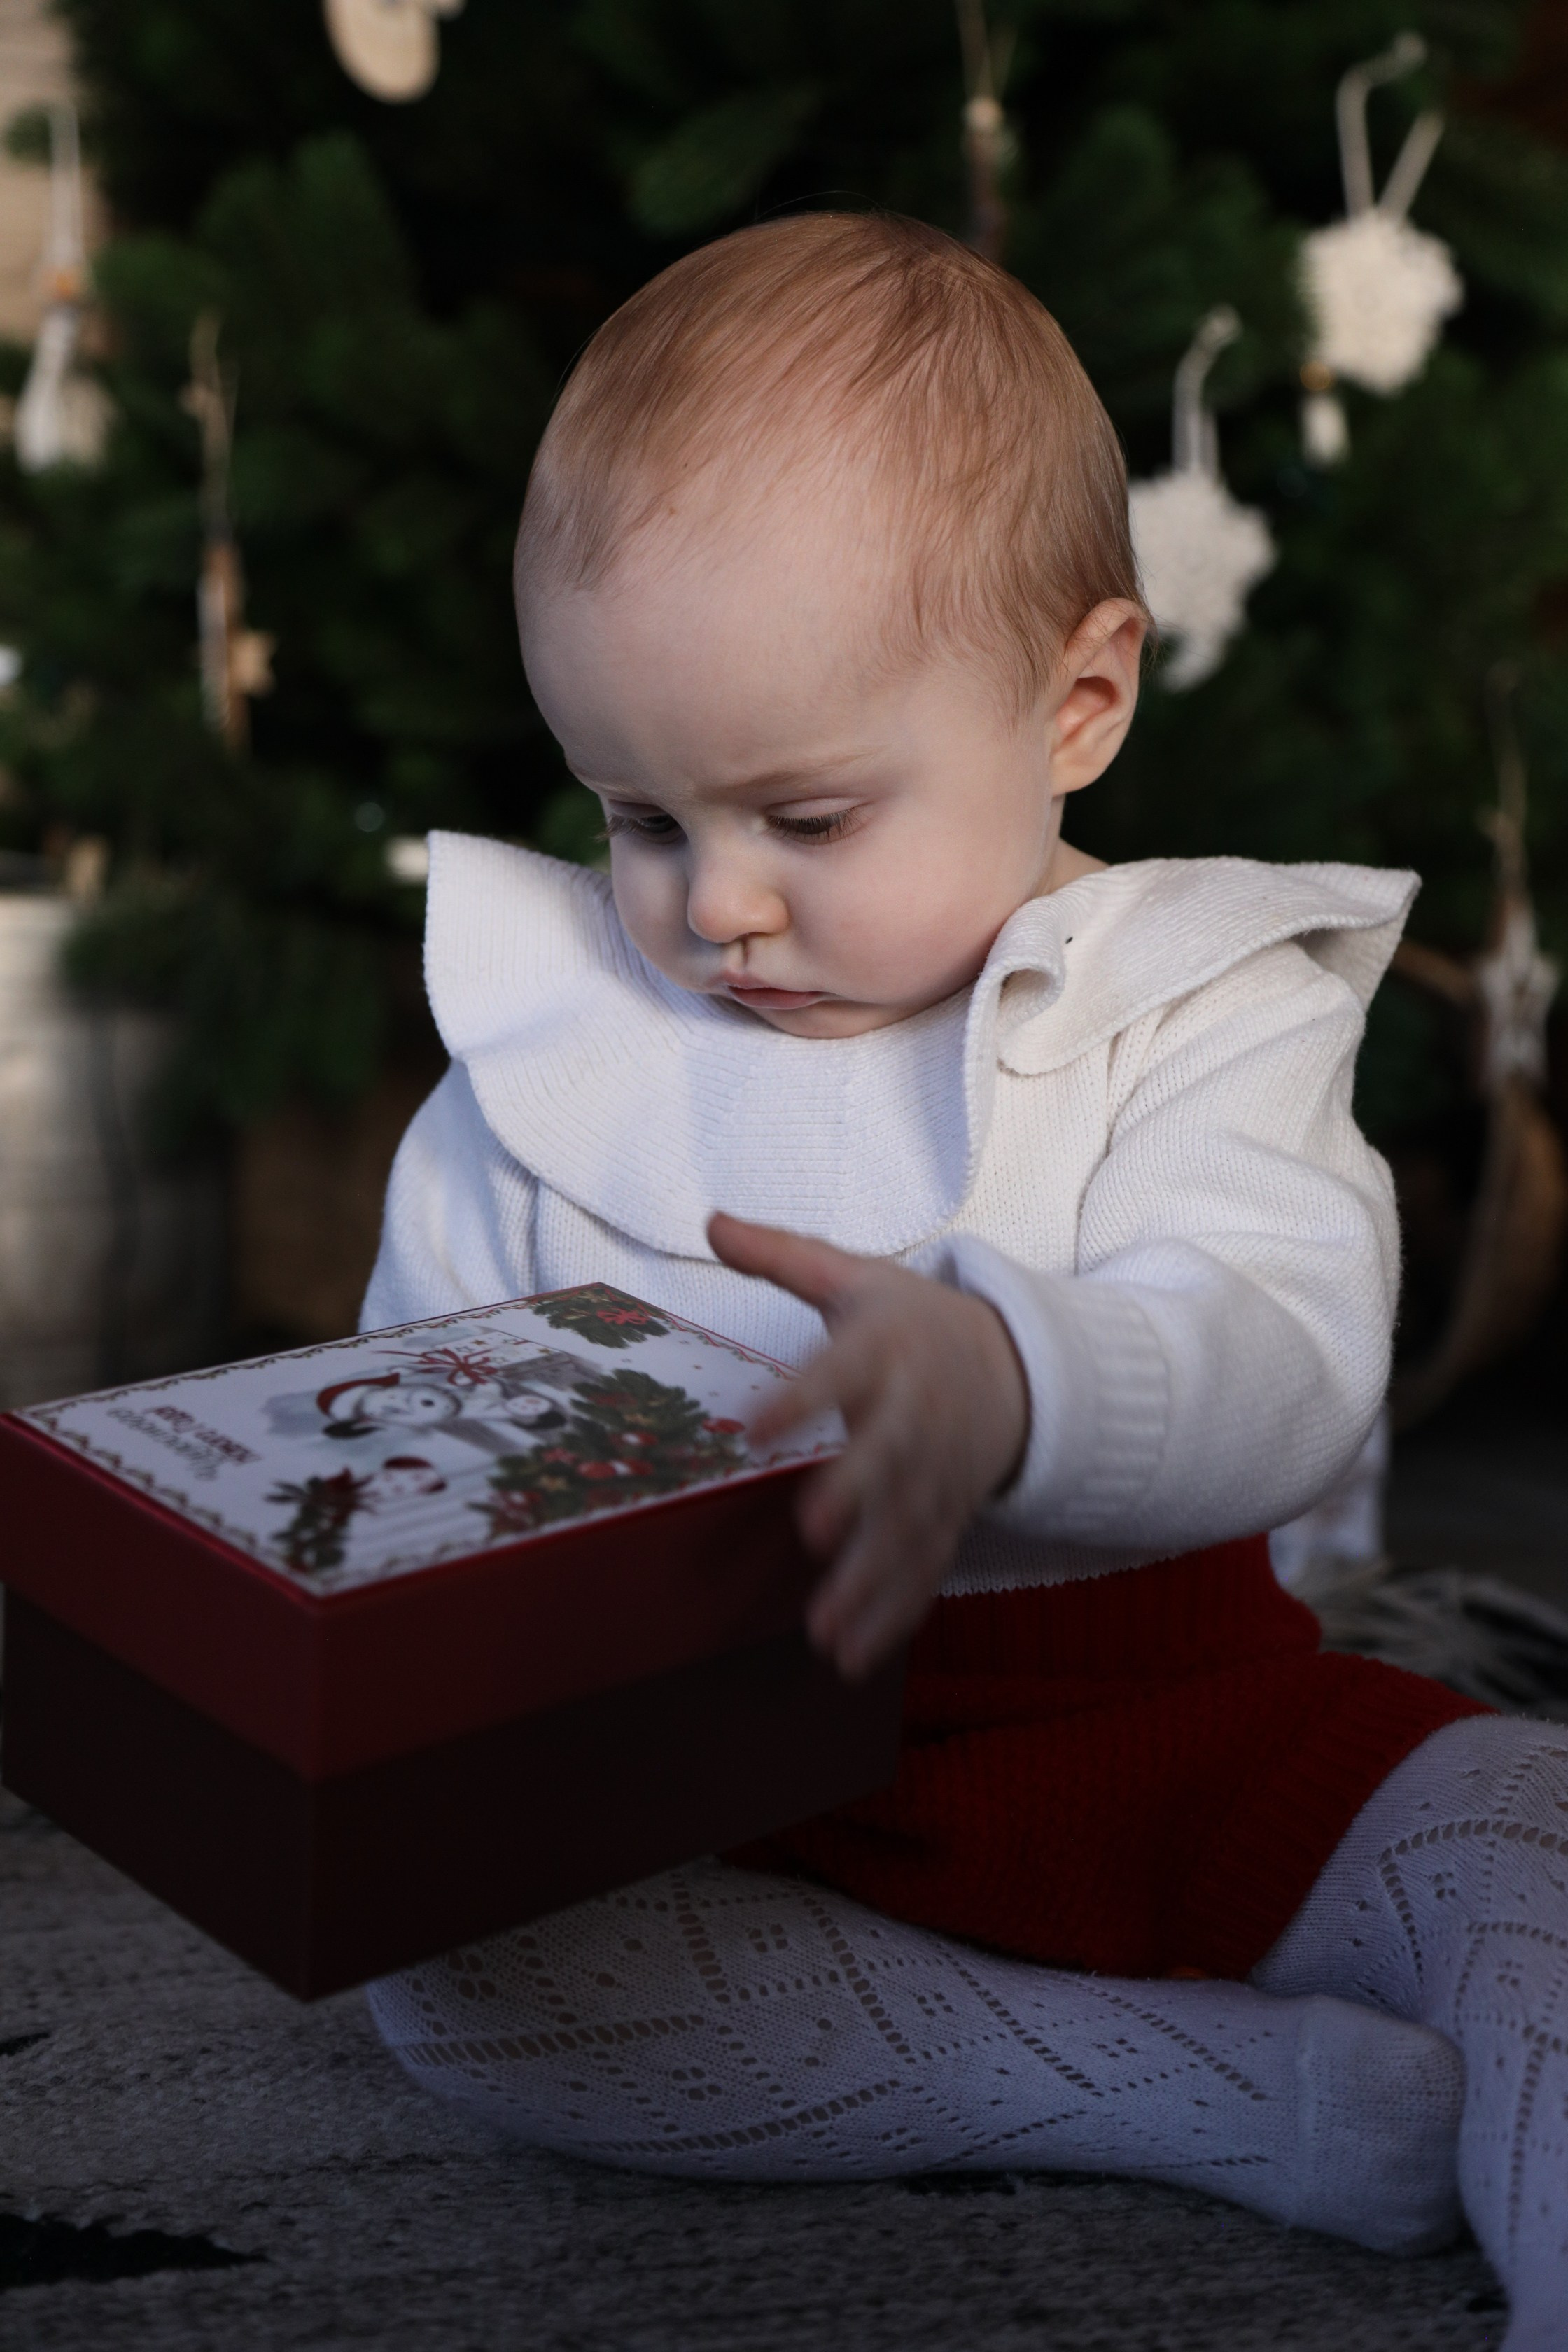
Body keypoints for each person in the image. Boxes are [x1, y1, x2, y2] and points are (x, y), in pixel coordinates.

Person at [359, 215, 1563, 2347]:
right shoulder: (545, 1068)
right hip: (734, 1805)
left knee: (1523, 1845)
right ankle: (1200, 2098)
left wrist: (1011, 1381)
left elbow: (1289, 1350)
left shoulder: (1194, 1004)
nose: (715, 903)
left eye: (805, 813)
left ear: (1077, 701)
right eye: (636, 812)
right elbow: (414, 1410)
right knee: (453, 1981)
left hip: (1197, 1737)